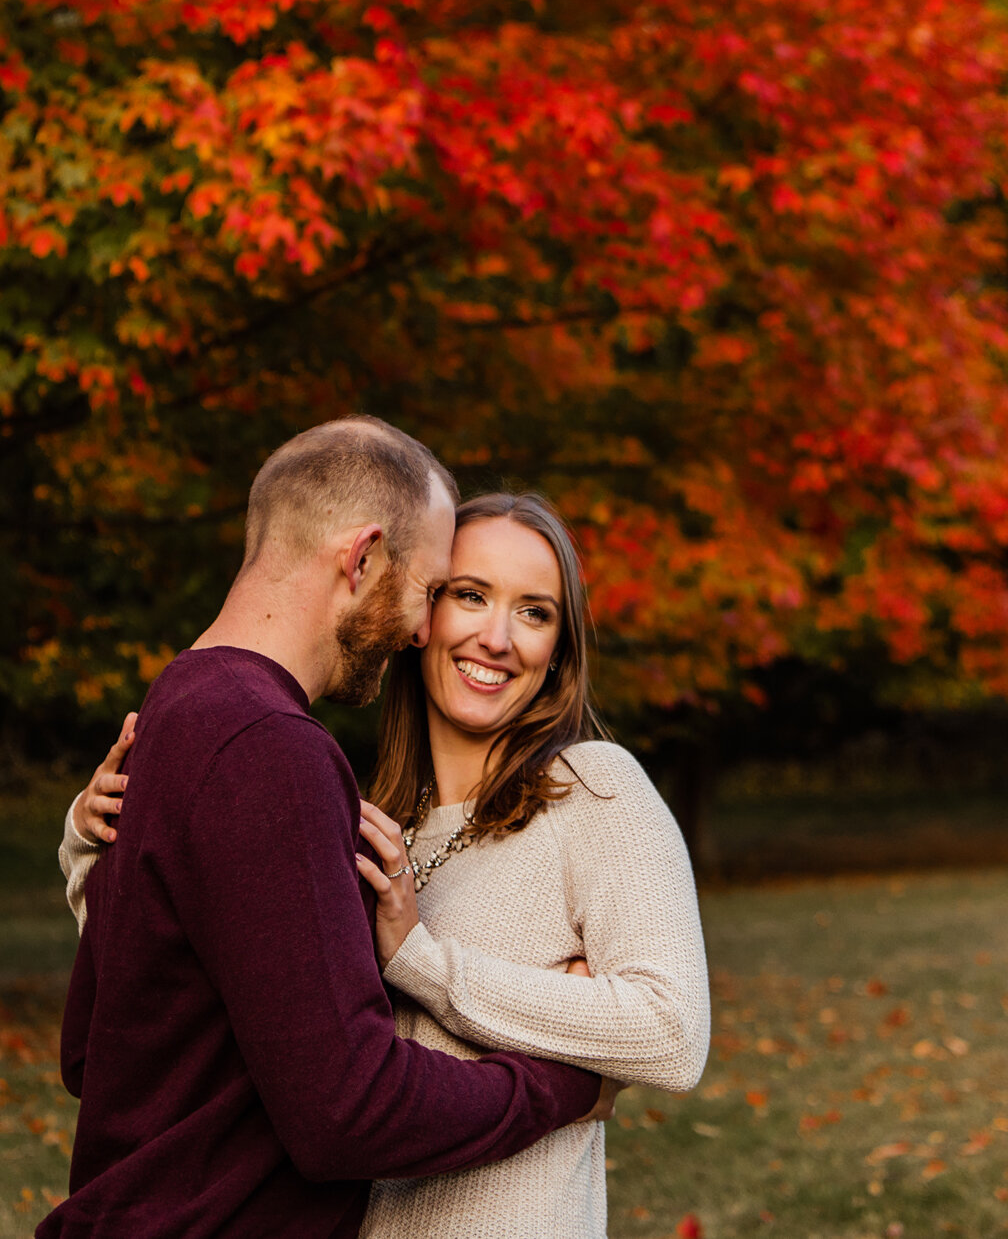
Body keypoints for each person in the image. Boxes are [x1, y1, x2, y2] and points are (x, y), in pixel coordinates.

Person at [64, 490, 710, 1236]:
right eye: (470, 595)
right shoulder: (371, 822)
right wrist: (91, 846)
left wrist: (424, 962)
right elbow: (195, 995)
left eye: (536, 612)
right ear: (419, 616)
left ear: (560, 649)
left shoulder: (595, 788)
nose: (497, 636)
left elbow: (672, 1031)